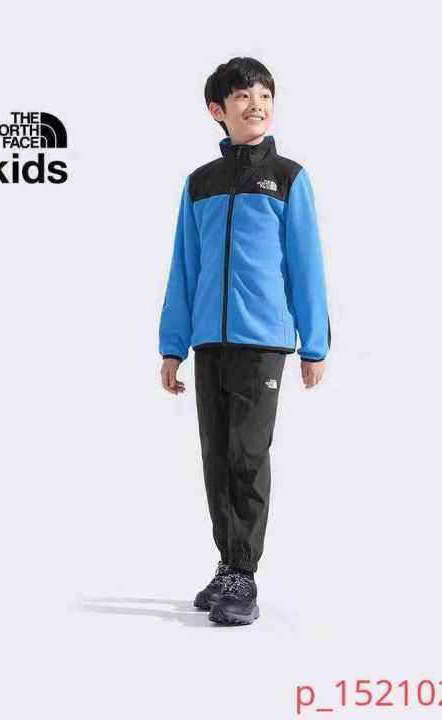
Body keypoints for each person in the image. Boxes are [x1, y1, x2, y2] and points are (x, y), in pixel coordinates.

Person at [158, 56, 331, 625]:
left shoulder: (288, 178)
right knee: (216, 456)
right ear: (218, 110)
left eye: (265, 95)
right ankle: (227, 562)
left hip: (263, 342)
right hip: (209, 341)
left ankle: (244, 574)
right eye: (242, 96)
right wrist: (172, 345)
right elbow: (185, 267)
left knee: (247, 455)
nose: (256, 104)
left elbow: (307, 264)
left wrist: (314, 345)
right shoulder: (199, 184)